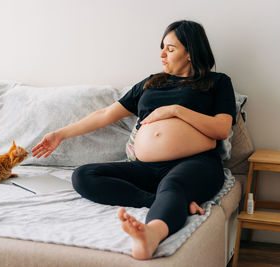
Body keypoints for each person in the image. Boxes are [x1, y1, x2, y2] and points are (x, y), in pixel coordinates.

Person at [31, 20, 236, 260]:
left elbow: (222, 128)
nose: (162, 54)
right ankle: (164, 202)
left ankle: (151, 235)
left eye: (170, 49)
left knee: (173, 186)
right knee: (83, 176)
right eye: (162, 47)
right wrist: (60, 134)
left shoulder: (217, 82)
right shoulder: (151, 83)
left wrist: (174, 110)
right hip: (146, 168)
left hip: (195, 164)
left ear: (190, 52)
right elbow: (105, 114)